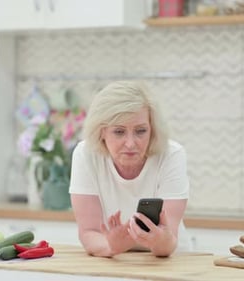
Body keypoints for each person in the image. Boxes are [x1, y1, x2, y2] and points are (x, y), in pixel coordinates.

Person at [69, 80, 190, 258]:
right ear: (102, 131)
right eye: (119, 132)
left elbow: (168, 242)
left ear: (152, 129)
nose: (131, 143)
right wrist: (113, 246)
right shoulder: (85, 154)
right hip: (113, 259)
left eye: (140, 131)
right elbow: (88, 233)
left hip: (167, 260)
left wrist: (158, 240)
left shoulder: (171, 154)